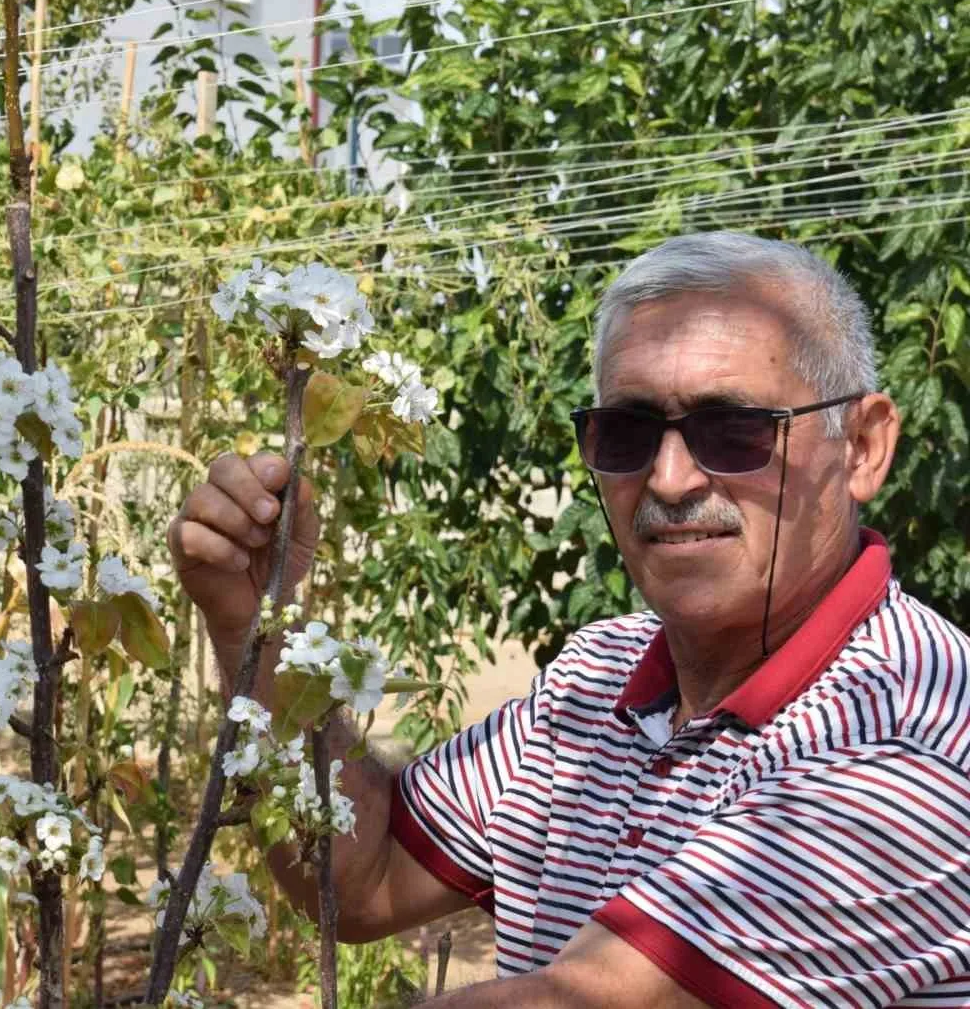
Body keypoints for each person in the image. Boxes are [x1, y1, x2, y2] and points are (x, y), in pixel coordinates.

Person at [169, 232, 970, 1007]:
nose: (670, 477)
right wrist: (251, 625)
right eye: (627, 431)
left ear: (863, 446)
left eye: (733, 430)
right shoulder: (596, 682)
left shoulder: (913, 735)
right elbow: (363, 870)